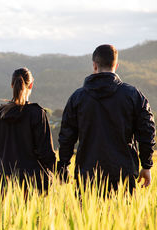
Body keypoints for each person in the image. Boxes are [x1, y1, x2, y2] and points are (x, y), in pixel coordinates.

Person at [57, 44, 155, 194]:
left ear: (94, 65)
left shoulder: (77, 98)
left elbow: (66, 136)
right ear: (116, 65)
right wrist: (146, 165)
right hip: (124, 175)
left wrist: (63, 166)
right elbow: (147, 129)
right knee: (123, 217)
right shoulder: (133, 95)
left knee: (87, 217)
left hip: (87, 175)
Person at [0, 67, 56, 193]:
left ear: (11, 85)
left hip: (6, 184)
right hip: (35, 184)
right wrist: (55, 175)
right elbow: (46, 151)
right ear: (31, 85)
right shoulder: (37, 113)